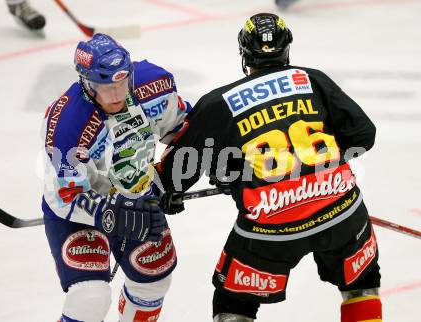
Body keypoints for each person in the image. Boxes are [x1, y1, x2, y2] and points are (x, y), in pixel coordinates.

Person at [157, 13, 381, 322]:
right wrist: (316, 166)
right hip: (340, 209)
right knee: (361, 286)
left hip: (271, 228)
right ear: (287, 49)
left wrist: (170, 193)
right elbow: (363, 135)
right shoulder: (312, 79)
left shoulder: (218, 102)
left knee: (233, 304)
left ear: (243, 53)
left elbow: (175, 172)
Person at [42, 33, 191, 322]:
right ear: (86, 83)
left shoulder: (154, 84)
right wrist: (114, 213)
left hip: (136, 193)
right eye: (105, 86)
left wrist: (172, 179)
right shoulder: (68, 124)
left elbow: (183, 130)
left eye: (122, 83)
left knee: (154, 278)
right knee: (90, 297)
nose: (117, 94)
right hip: (77, 211)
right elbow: (66, 194)